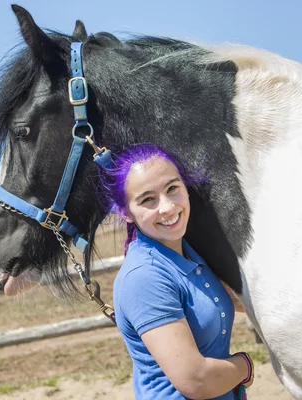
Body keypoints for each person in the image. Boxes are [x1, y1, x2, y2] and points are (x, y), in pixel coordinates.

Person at [98, 143, 255, 399]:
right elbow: (197, 380)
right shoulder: (144, 277)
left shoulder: (188, 253)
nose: (168, 207)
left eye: (173, 189)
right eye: (148, 199)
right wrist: (244, 366)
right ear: (127, 212)